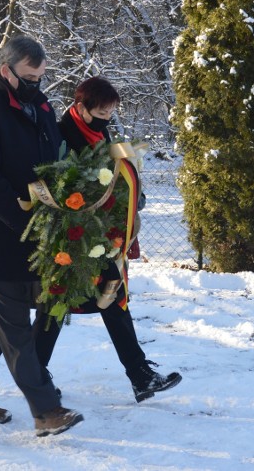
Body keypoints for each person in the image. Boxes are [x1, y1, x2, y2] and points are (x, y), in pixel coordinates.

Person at [0, 34, 83, 437]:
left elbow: (55, 161)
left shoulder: (40, 106)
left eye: (41, 77)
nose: (36, 84)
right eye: (29, 76)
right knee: (16, 327)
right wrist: (26, 222)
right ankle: (46, 410)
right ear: (5, 70)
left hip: (33, 236)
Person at [32, 76, 182, 402]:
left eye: (111, 111)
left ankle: (140, 376)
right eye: (101, 111)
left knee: (109, 298)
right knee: (57, 303)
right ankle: (34, 374)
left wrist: (131, 199)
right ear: (80, 107)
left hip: (101, 233)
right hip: (69, 235)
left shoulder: (99, 130)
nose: (107, 117)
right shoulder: (61, 136)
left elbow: (114, 174)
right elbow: (59, 184)